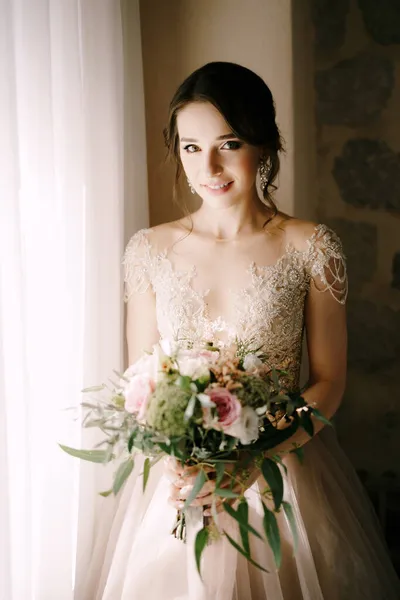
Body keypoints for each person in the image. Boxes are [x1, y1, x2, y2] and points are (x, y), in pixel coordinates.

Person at [79, 62, 400, 599]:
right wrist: (180, 462)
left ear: (263, 143)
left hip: (283, 475)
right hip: (179, 484)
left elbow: (328, 382)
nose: (208, 165)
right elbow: (143, 380)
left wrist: (254, 458)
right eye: (189, 147)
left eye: (227, 143)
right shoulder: (149, 250)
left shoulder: (310, 246)